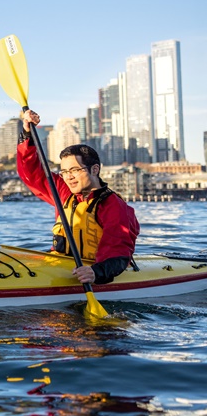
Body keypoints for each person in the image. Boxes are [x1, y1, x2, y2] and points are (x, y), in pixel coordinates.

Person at [17, 109, 140, 285]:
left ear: (94, 170)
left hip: (93, 270)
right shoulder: (63, 191)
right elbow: (31, 172)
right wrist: (27, 133)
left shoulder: (113, 205)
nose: (68, 177)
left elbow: (118, 250)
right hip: (57, 265)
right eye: (65, 171)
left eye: (75, 170)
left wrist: (96, 273)